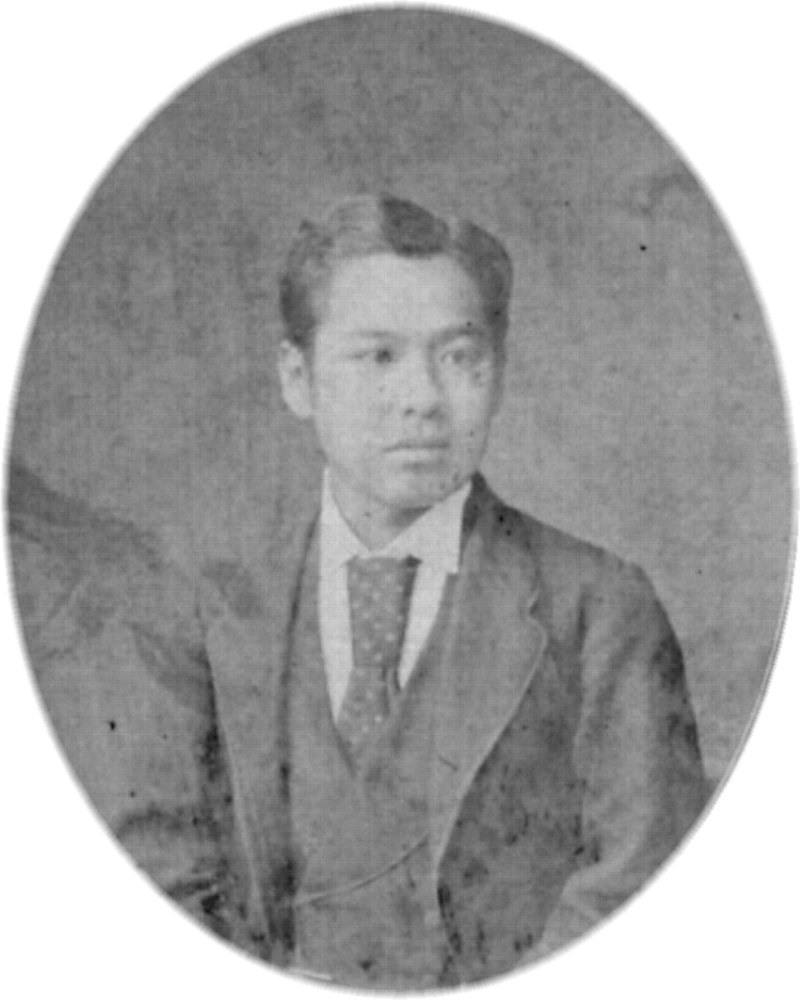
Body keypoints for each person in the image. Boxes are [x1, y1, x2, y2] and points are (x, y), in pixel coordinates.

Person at [8, 194, 707, 988]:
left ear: (500, 372)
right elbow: (152, 875)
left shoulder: (601, 609)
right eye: (377, 357)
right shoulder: (202, 604)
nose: (422, 398)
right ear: (297, 378)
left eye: (459, 357)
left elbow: (642, 886)